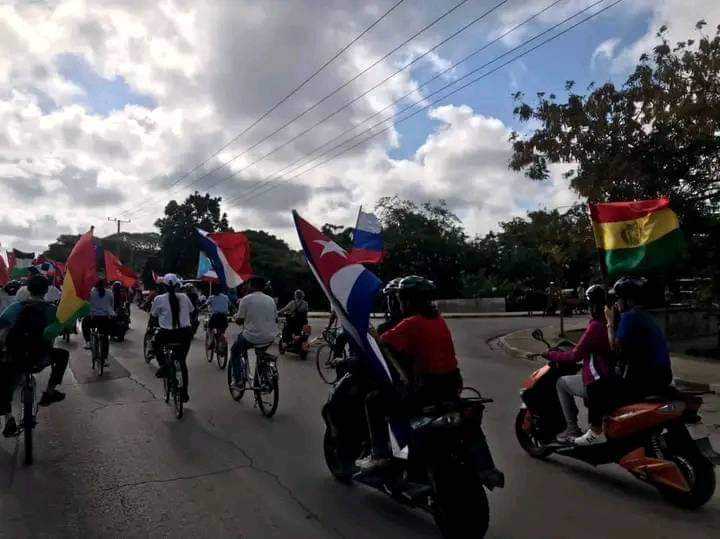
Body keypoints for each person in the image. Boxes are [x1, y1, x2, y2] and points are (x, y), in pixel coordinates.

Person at [359, 275, 462, 470]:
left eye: (400, 299)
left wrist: (371, 335)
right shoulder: (438, 320)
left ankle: (380, 454)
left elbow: (382, 343)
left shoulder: (411, 323)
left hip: (426, 387)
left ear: (406, 301)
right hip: (452, 384)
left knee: (374, 401)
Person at [575, 276, 673, 446]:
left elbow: (615, 348)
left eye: (618, 299)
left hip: (646, 378)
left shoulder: (630, 317)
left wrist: (610, 322)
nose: (616, 304)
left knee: (597, 386)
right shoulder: (645, 316)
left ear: (627, 300)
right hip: (663, 375)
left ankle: (595, 431)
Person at [541, 285, 613, 442]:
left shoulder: (596, 326)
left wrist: (551, 355)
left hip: (597, 380)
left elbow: (575, 356)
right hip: (610, 376)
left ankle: (572, 429)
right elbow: (592, 350)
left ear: (592, 305)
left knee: (561, 383)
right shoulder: (610, 323)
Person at [0, 275, 69, 436]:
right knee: (63, 355)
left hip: (15, 359)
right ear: (46, 290)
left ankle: (8, 417)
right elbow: (62, 328)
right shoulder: (51, 310)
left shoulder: (14, 308)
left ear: (27, 289)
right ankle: (50, 391)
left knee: (3, 380)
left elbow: (2, 328)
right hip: (41, 358)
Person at [151, 274, 194, 402]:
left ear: (163, 286)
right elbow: (191, 311)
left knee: (155, 342)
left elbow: (153, 315)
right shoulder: (185, 297)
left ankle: (163, 365)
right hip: (185, 334)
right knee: (182, 361)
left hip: (166, 335)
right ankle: (184, 393)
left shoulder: (159, 298)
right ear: (177, 286)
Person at [230, 277, 278, 386]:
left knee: (235, 351)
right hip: (269, 337)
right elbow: (275, 318)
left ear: (253, 286)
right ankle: (261, 380)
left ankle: (238, 380)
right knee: (260, 355)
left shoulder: (246, 299)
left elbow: (240, 320)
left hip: (251, 337)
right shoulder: (270, 299)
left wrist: (235, 318)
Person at [82, 279, 115, 359]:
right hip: (105, 319)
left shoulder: (91, 292)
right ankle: (105, 358)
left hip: (93, 318)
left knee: (84, 323)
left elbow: (86, 303)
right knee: (105, 338)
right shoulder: (110, 293)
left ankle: (88, 341)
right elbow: (112, 307)